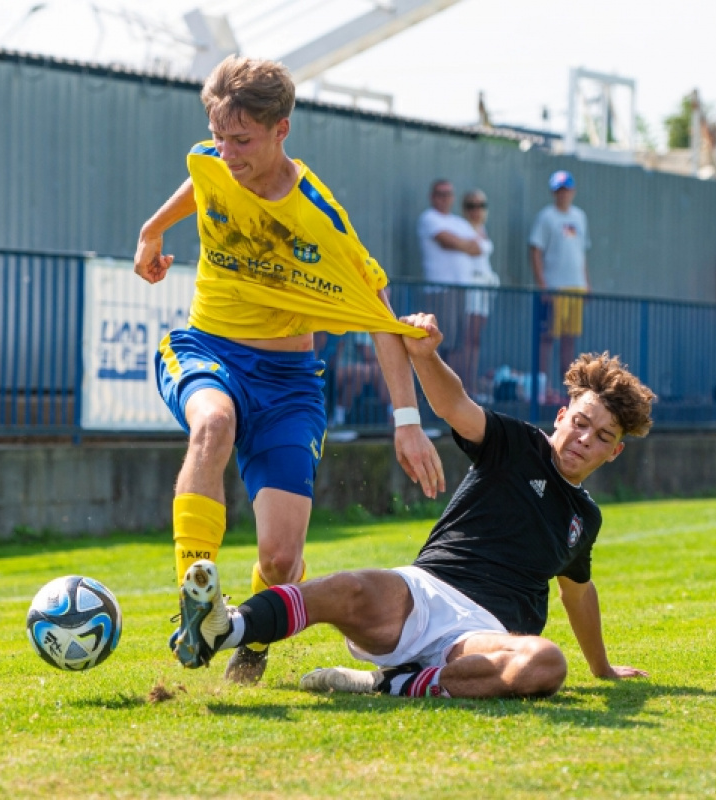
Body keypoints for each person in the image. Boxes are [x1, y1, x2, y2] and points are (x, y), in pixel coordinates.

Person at [133, 55, 445, 685]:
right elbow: (202, 180)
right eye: (219, 135)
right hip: (207, 349)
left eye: (242, 140)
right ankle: (196, 603)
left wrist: (408, 422)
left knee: (281, 560)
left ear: (283, 131)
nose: (226, 152)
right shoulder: (215, 160)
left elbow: (377, 313)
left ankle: (250, 641)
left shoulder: (317, 218)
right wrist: (150, 232)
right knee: (212, 425)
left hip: (288, 384)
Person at [170, 315, 656, 700]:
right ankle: (224, 628)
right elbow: (455, 406)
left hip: (483, 637)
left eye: (602, 437)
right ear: (562, 415)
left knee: (546, 663)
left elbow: (578, 594)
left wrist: (603, 668)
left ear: (614, 452)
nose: (583, 440)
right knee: (349, 587)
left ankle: (391, 684)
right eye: (580, 422)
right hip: (422, 593)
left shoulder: (584, 519)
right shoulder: (518, 444)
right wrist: (426, 358)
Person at [529, 170, 591, 391]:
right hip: (555, 287)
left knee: (569, 340)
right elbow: (535, 250)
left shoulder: (580, 216)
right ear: (554, 192)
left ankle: (568, 390)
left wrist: (586, 283)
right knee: (547, 339)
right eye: (559, 190)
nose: (563, 194)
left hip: (575, 288)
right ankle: (542, 389)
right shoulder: (547, 216)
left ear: (573, 191)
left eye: (566, 189)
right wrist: (542, 284)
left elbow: (581, 253)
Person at [417, 179, 483, 365]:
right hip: (440, 290)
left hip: (461, 290)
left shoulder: (459, 223)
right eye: (440, 194)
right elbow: (447, 241)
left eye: (448, 194)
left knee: (457, 343)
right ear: (432, 197)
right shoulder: (429, 217)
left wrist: (458, 243)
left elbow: (478, 248)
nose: (445, 198)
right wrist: (462, 244)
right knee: (439, 341)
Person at [461, 189, 500, 395]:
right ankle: (465, 385)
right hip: (471, 287)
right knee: (468, 338)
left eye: (481, 205)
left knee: (475, 339)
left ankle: (471, 383)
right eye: (471, 205)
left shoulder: (482, 228)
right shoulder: (462, 228)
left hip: (484, 288)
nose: (477, 210)